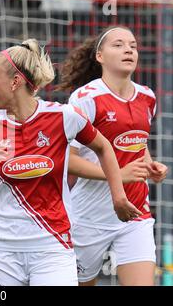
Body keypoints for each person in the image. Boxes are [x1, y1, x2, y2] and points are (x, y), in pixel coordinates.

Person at [0, 39, 141, 286]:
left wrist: (118, 197)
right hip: (0, 250)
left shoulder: (62, 116)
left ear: (15, 81)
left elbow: (103, 146)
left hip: (52, 245)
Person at [57, 25, 168, 286]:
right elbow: (68, 161)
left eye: (133, 45)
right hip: (89, 217)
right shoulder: (85, 98)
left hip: (135, 212)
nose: (128, 49)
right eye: (118, 45)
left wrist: (151, 167)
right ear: (100, 56)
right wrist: (118, 174)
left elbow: (137, 144)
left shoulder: (147, 97)